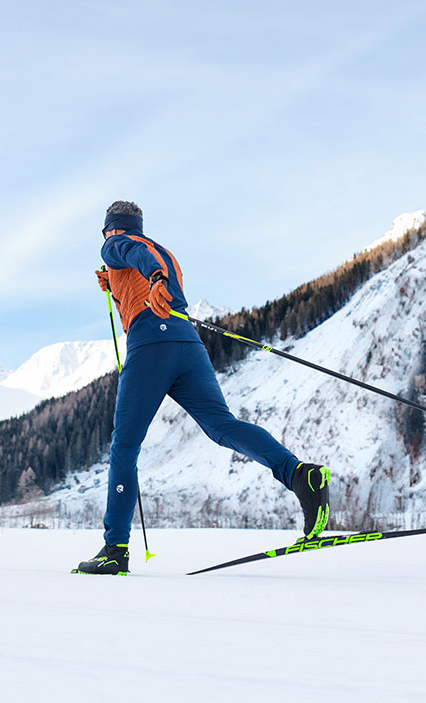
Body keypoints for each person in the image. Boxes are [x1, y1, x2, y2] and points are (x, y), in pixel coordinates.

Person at [74, 201, 331, 575]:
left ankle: (114, 549)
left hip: (150, 346)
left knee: (125, 446)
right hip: (187, 345)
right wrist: (117, 286)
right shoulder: (163, 254)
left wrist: (151, 276)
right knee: (222, 426)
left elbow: (136, 253)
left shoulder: (118, 245)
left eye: (107, 234)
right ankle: (298, 475)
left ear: (113, 227)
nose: (109, 241)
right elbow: (145, 268)